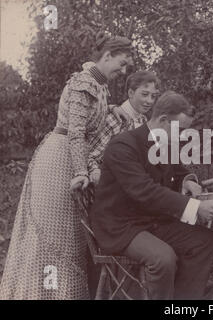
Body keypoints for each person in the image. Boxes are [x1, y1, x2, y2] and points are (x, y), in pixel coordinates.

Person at [0, 33, 133, 300]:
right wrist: (82, 171)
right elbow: (75, 132)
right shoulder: (83, 82)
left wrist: (113, 108)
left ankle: (65, 295)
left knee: (72, 237)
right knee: (53, 236)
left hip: (73, 159)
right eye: (122, 63)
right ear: (107, 56)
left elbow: (90, 113)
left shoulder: (98, 84)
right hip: (59, 161)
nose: (124, 70)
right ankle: (42, 295)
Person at [90, 91, 213, 299]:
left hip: (151, 222)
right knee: (162, 258)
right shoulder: (123, 145)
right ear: (164, 120)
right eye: (180, 130)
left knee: (204, 241)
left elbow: (179, 170)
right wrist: (197, 207)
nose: (183, 136)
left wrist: (188, 180)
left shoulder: (164, 145)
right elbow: (144, 190)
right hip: (121, 226)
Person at [87, 70, 160, 186]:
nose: (149, 101)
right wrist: (95, 172)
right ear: (131, 93)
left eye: (153, 96)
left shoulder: (143, 120)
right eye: (145, 94)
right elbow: (89, 156)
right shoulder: (114, 119)